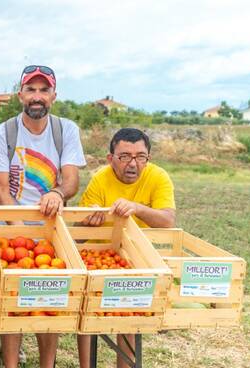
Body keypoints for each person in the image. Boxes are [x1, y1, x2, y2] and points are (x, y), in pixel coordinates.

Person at [0, 65, 86, 368]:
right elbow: (2, 191)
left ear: (54, 95)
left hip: (51, 228)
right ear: (20, 95)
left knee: (48, 298)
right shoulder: (2, 135)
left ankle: (47, 363)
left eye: (44, 90)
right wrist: (20, 235)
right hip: (12, 229)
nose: (37, 96)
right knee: (13, 300)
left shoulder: (65, 130)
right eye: (31, 90)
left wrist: (57, 194)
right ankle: (11, 364)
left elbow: (71, 181)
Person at [78, 127, 175, 368]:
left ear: (148, 158)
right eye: (124, 157)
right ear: (111, 158)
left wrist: (137, 208)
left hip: (138, 259)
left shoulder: (158, 176)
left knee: (128, 315)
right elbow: (82, 222)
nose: (133, 163)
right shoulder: (101, 178)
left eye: (140, 156)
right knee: (87, 311)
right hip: (102, 258)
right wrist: (91, 219)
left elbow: (167, 220)